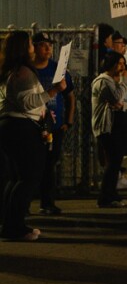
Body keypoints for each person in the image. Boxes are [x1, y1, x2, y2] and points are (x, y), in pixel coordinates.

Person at [1, 31, 65, 241]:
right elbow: (26, 102)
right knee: (29, 178)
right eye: (30, 43)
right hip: (22, 128)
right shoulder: (23, 73)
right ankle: (16, 227)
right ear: (23, 47)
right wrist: (53, 92)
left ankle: (11, 224)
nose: (32, 47)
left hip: (13, 127)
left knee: (17, 178)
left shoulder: (11, 70)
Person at [31, 32, 75, 216]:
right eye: (43, 44)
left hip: (54, 125)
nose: (48, 48)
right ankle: (25, 202)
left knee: (50, 164)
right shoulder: (28, 70)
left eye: (50, 45)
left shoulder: (58, 69)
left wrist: (69, 121)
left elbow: (70, 96)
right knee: (31, 165)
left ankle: (47, 202)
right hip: (33, 125)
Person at [92, 50, 127, 207]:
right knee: (112, 162)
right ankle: (106, 197)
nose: (122, 67)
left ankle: (112, 193)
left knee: (117, 162)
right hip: (108, 127)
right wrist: (125, 80)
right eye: (119, 63)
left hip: (121, 124)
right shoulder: (104, 81)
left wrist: (125, 106)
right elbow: (117, 97)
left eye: (123, 64)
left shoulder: (118, 81)